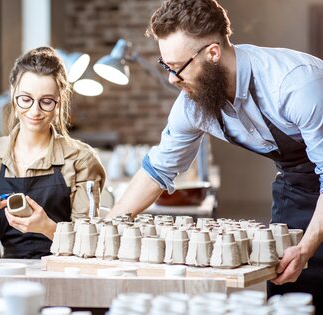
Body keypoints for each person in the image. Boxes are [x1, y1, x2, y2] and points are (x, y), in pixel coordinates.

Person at [107, 0, 323, 310]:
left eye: (177, 67)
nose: (171, 78)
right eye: (165, 66)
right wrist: (110, 225)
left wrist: (308, 247)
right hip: (299, 183)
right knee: (292, 292)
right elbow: (159, 169)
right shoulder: (193, 104)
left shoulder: (295, 84)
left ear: (212, 53)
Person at [0, 47, 105, 259]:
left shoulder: (81, 159)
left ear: (59, 102)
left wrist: (47, 227)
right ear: (13, 94)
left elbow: (89, 244)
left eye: (46, 102)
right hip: (10, 273)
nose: (35, 111)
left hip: (65, 272)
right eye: (26, 99)